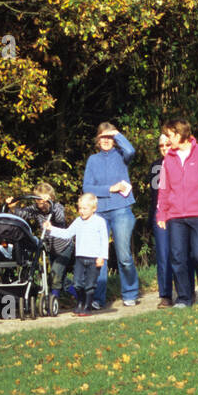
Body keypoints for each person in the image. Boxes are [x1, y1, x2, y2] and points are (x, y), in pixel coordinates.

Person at [155, 118, 198, 308]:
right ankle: (183, 298)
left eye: (170, 135)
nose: (168, 140)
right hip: (175, 216)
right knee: (177, 257)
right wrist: (162, 214)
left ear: (180, 134)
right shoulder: (168, 159)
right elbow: (163, 189)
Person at [82, 122, 140, 307]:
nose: (106, 140)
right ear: (97, 140)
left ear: (114, 140)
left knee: (123, 256)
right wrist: (110, 188)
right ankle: (98, 298)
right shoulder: (93, 160)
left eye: (109, 137)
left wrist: (117, 134)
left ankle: (130, 293)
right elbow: (87, 187)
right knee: (99, 256)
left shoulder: (122, 155)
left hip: (121, 209)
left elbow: (131, 151)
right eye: (102, 137)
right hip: (99, 213)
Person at [43, 193, 110, 315]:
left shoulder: (99, 222)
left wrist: (102, 257)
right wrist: (51, 229)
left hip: (94, 259)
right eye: (80, 208)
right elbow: (67, 233)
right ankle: (80, 302)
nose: (82, 211)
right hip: (80, 258)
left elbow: (104, 241)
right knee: (78, 283)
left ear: (93, 208)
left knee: (90, 284)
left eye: (85, 208)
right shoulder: (78, 221)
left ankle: (88, 306)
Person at [6, 183, 75, 297]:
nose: (40, 205)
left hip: (64, 247)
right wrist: (13, 207)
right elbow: (22, 214)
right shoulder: (35, 209)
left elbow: (59, 218)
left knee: (55, 275)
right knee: (59, 279)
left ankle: (53, 300)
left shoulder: (57, 207)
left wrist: (50, 206)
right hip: (51, 249)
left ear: (51, 198)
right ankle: (81, 295)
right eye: (38, 202)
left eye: (43, 202)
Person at [148, 133, 175, 309]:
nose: (165, 148)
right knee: (163, 255)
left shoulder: (182, 163)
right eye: (161, 146)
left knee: (182, 254)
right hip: (161, 215)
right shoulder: (156, 167)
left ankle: (185, 291)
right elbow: (154, 195)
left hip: (181, 213)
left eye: (168, 144)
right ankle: (165, 295)